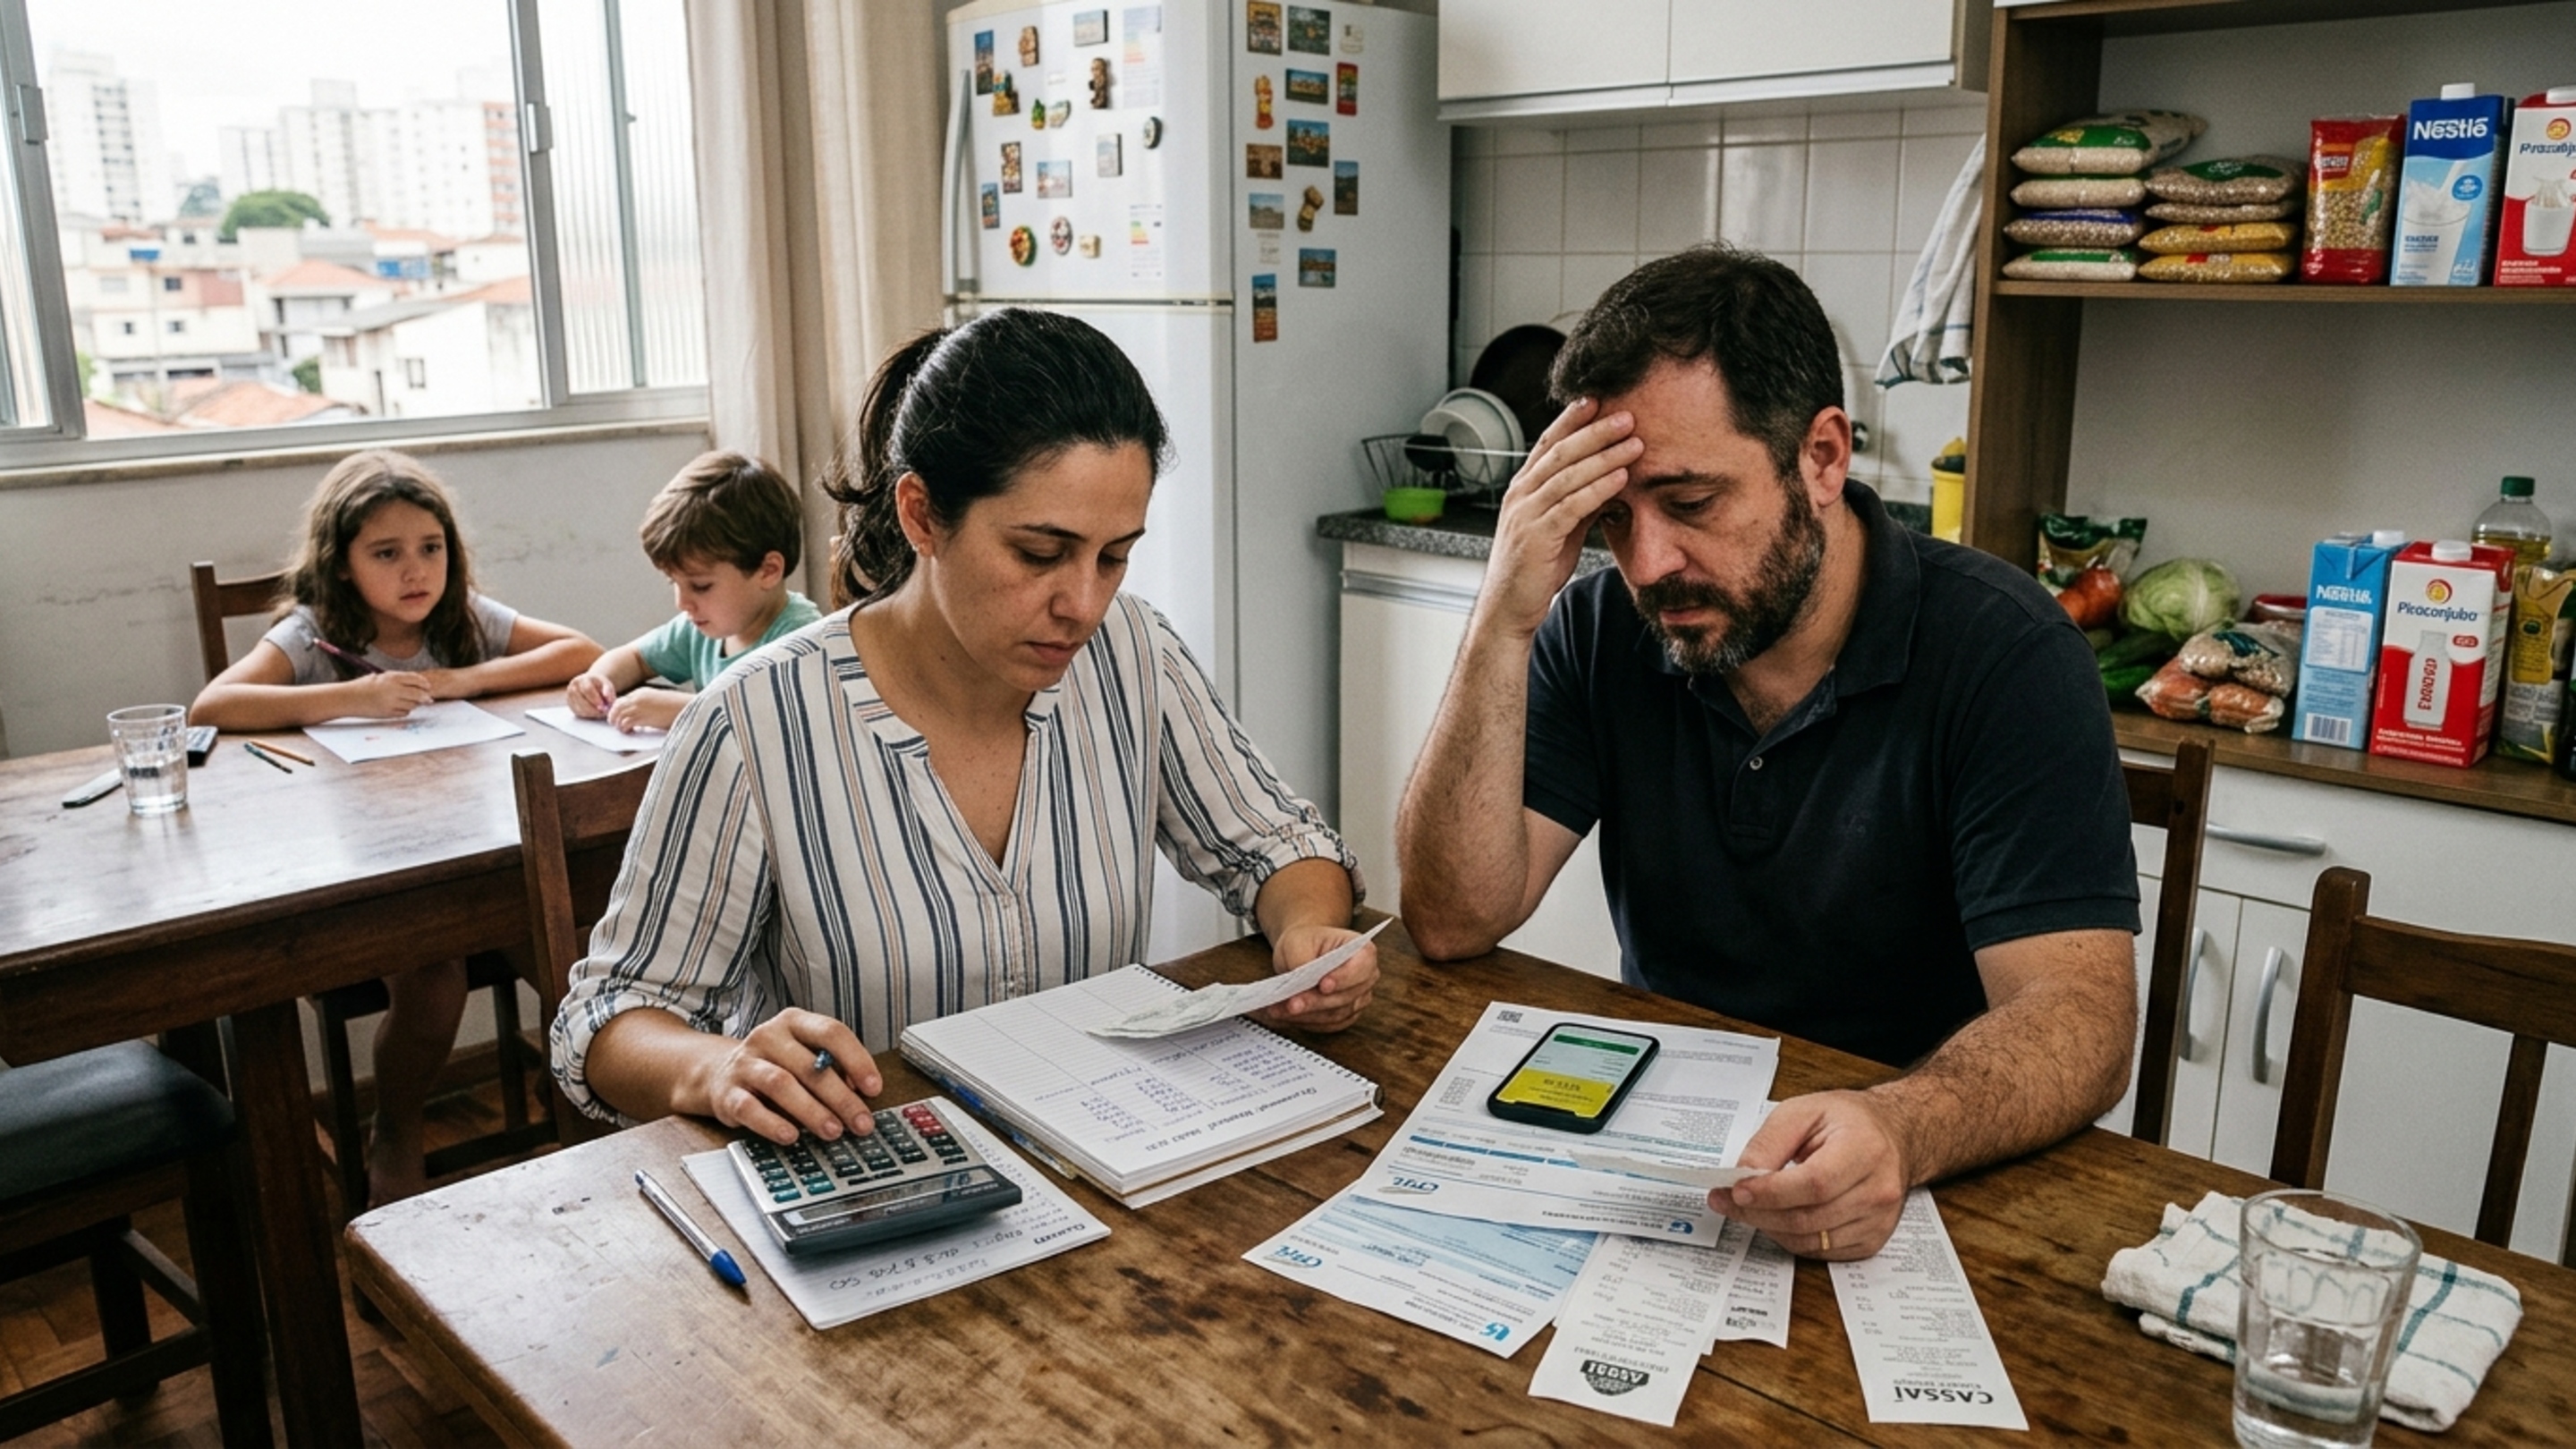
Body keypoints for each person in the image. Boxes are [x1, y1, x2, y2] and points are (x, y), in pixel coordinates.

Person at [1395, 246, 2140, 1260]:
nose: (1648, 564)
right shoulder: (1600, 626)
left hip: (1928, 1179)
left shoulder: (2007, 653)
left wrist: (1902, 1125)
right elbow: (1451, 919)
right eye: (1612, 517)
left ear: (1823, 457)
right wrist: (1502, 619)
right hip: (1668, 1169)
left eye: (1691, 503)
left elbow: (2082, 1018)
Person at [550, 307, 1376, 1143]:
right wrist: (719, 1068)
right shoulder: (754, 722)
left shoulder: (1135, 655)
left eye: (1114, 556)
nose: (1084, 604)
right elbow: (610, 1021)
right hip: (877, 1175)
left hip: (1106, 1152)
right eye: (1039, 554)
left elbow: (1278, 843)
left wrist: (1308, 927)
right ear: (920, 515)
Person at [191, 448, 603, 1205]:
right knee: (436, 981)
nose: (416, 571)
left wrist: (460, 679)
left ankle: (573, 1088)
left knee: (572, 953)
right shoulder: (313, 635)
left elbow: (582, 652)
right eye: (386, 553)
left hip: (483, 858)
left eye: (431, 548)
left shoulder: (461, 618)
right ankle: (398, 1122)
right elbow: (211, 706)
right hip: (376, 878)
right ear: (343, 565)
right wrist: (352, 697)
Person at [564, 450, 823, 733]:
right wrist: (597, 681)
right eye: (673, 583)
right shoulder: (699, 629)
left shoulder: (803, 637)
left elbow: (780, 720)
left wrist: (684, 710)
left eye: (701, 586)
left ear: (768, 571)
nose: (682, 602)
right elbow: (635, 658)